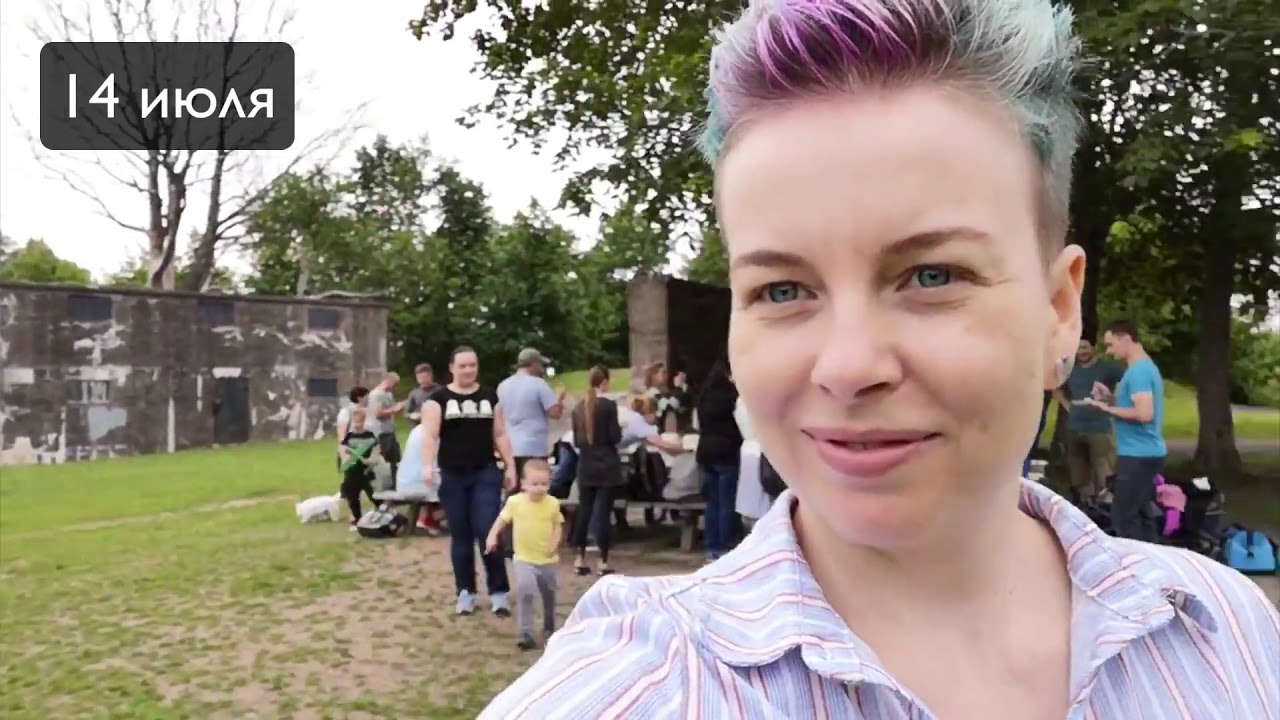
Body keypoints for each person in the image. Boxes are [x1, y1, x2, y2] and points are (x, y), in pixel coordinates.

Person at [481, 1, 1279, 717]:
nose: (848, 365)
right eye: (783, 289)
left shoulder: (1227, 634)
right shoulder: (637, 692)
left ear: (1058, 310)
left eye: (932, 276)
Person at [417, 346, 516, 616]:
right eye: (463, 366)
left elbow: (500, 433)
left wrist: (511, 465)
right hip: (453, 474)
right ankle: (466, 592)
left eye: (472, 365)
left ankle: (498, 592)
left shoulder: (488, 396)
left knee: (488, 530)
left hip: (485, 471)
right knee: (460, 536)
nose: (468, 370)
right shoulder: (438, 399)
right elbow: (429, 435)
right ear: (451, 367)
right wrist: (427, 465)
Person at [1082, 319, 1169, 542]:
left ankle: (1136, 568)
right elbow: (1137, 406)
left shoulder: (1138, 371)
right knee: (1141, 513)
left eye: (1111, 345)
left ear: (1126, 339)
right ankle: (1153, 564)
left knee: (1123, 517)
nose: (1109, 352)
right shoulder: (1144, 368)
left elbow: (1144, 414)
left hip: (1139, 454)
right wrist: (1110, 397)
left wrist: (1106, 408)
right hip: (1144, 453)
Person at [484, 459, 562, 651]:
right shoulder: (515, 502)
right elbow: (501, 521)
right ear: (524, 484)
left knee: (549, 595)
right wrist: (492, 535)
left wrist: (554, 542)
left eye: (544, 484)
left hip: (547, 559)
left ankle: (549, 629)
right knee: (525, 590)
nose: (539, 488)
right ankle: (525, 633)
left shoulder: (552, 504)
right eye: (535, 484)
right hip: (524, 558)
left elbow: (558, 525)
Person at [1053, 338, 1124, 503]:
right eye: (1078, 349)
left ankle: (1107, 510)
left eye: (1085, 347)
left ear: (1093, 348)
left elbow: (1130, 384)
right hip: (1075, 427)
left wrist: (1114, 401)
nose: (1082, 352)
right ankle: (1086, 508)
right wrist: (1069, 406)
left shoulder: (1107, 368)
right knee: (1079, 476)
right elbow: (1057, 389)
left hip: (1100, 428)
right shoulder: (1071, 370)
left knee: (1104, 474)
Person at [570, 366, 623, 576]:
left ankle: (580, 557)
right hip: (606, 463)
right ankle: (603, 559)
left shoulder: (578, 408)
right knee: (603, 511)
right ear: (604, 382)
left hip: (585, 463)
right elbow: (615, 437)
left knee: (585, 510)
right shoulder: (609, 406)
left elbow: (577, 440)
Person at [694, 359, 743, 562]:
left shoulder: (704, 397)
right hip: (727, 451)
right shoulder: (731, 396)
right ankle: (726, 545)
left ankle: (711, 546)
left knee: (712, 502)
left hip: (705, 450)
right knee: (727, 501)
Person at [496, 348, 566, 487]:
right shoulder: (538, 384)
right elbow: (554, 413)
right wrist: (559, 398)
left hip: (510, 448)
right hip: (534, 448)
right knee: (534, 492)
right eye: (540, 364)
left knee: (514, 491)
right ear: (533, 364)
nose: (541, 368)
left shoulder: (502, 386)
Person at [405, 363, 444, 533]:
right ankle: (425, 516)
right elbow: (407, 412)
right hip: (420, 433)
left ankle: (431, 516)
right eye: (419, 377)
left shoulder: (440, 391)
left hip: (438, 432)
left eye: (425, 376)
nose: (423, 379)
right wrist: (414, 415)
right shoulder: (414, 393)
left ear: (431, 375)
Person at [337, 407, 380, 528]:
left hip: (366, 470)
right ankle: (357, 518)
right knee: (352, 496)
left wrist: (371, 459)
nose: (357, 424)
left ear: (364, 421)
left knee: (373, 494)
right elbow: (343, 450)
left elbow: (376, 449)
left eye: (360, 422)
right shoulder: (349, 437)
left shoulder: (369, 435)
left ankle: (380, 515)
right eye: (355, 422)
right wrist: (346, 460)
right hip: (352, 470)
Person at [365, 372, 405, 487]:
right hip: (380, 433)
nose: (395, 387)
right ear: (388, 380)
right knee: (380, 460)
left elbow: (390, 410)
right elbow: (378, 413)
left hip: (389, 431)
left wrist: (398, 409)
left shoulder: (389, 394)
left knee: (396, 459)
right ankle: (372, 483)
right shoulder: (376, 394)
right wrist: (395, 409)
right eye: (395, 384)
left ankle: (395, 485)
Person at [642, 362, 688, 432]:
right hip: (655, 433)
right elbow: (669, 407)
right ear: (654, 376)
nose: (667, 375)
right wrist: (678, 388)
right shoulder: (652, 393)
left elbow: (679, 408)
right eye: (663, 373)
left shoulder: (664, 393)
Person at [334, 386, 369, 469]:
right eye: (367, 397)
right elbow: (342, 433)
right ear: (360, 398)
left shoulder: (366, 411)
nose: (368, 399)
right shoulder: (346, 412)